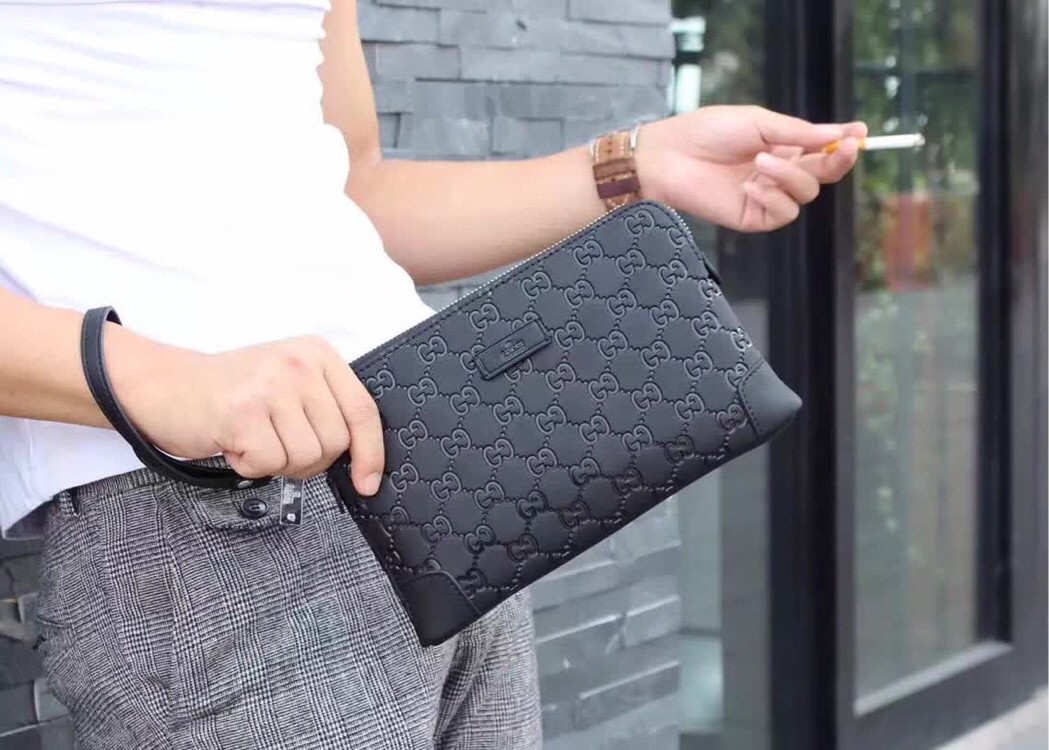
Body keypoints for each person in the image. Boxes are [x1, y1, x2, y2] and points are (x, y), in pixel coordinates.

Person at [0, 1, 865, 747]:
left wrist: (634, 167)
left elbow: (354, 190)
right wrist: (160, 382)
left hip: (433, 479)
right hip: (204, 513)